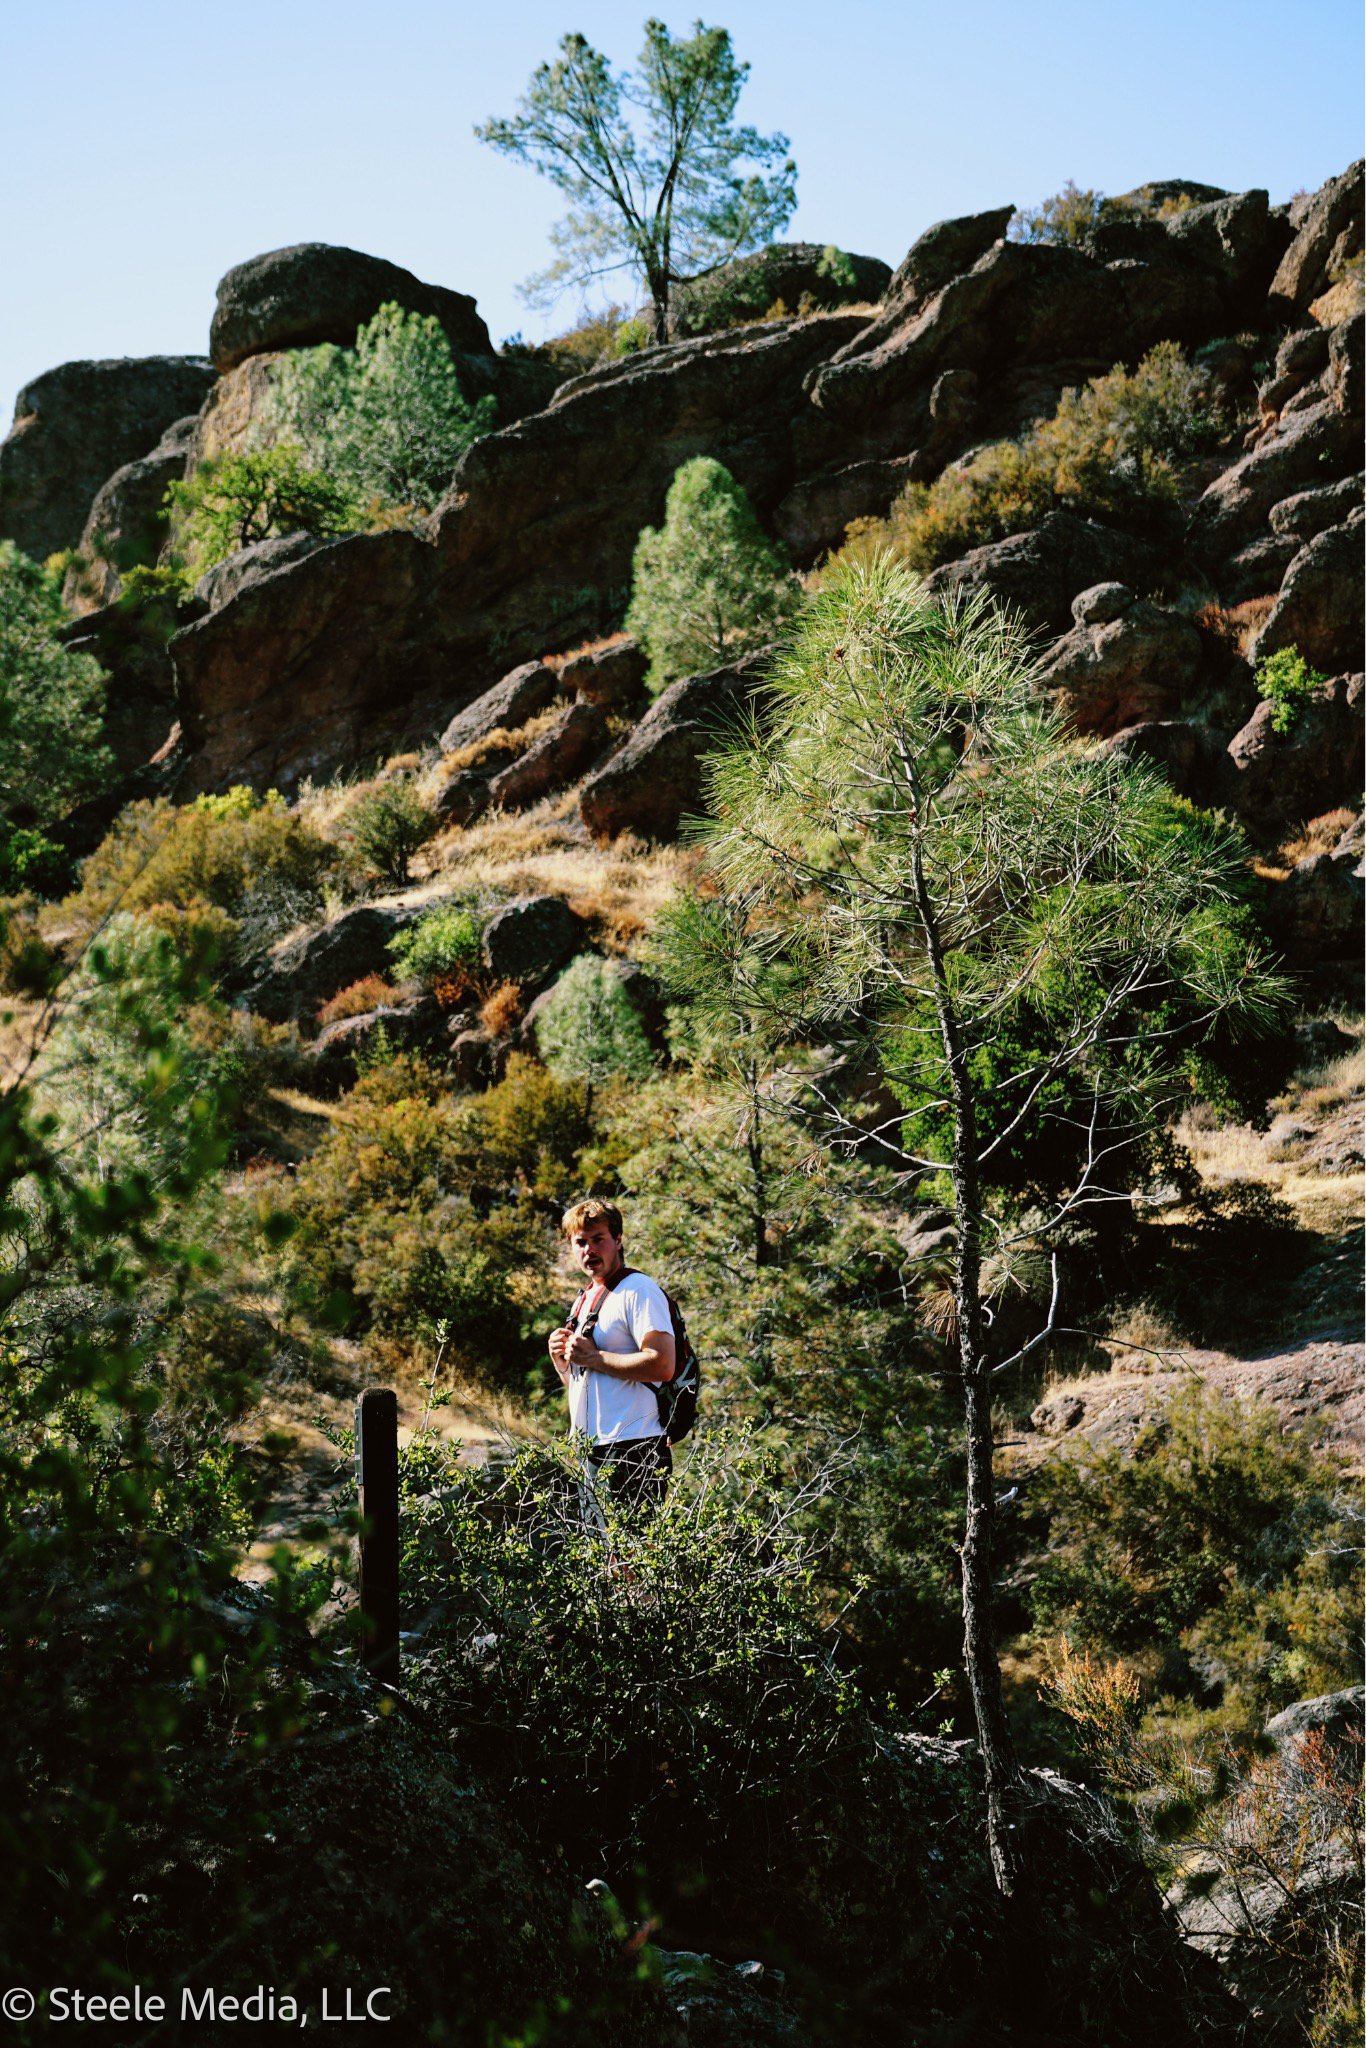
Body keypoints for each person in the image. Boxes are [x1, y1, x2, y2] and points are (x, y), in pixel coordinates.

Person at [548, 1198, 675, 1513]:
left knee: (630, 1555)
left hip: (635, 1447)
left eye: (598, 1239)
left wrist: (593, 1358)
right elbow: (586, 1385)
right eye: (580, 1242)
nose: (588, 1250)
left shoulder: (638, 1290)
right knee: (604, 1557)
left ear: (618, 1240)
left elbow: (663, 1364)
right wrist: (562, 1363)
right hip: (591, 1449)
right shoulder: (585, 1299)